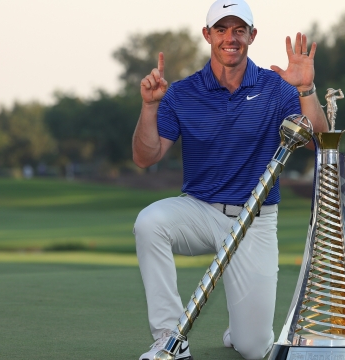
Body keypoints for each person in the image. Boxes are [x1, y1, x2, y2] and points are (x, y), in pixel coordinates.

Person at [132, 1, 328, 359]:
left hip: (255, 220)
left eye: (239, 30)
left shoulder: (277, 87)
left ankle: (240, 329)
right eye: (221, 29)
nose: (230, 38)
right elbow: (146, 157)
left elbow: (319, 140)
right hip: (199, 211)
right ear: (207, 35)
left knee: (254, 347)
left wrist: (306, 89)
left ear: (252, 35)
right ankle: (168, 338)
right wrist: (149, 107)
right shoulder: (181, 92)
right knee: (149, 223)